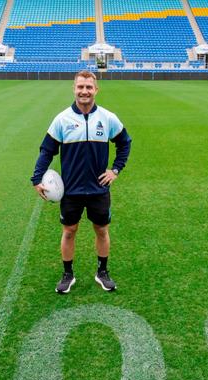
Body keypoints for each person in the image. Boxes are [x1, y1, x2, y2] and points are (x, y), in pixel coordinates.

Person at [31, 70, 132, 294]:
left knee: (102, 230)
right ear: (74, 89)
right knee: (69, 231)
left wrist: (115, 170)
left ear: (96, 90)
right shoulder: (62, 119)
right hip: (71, 189)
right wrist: (36, 178)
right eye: (80, 87)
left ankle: (102, 272)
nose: (84, 91)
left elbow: (125, 143)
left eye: (88, 87)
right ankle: (68, 275)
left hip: (98, 188)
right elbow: (47, 150)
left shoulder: (107, 118)